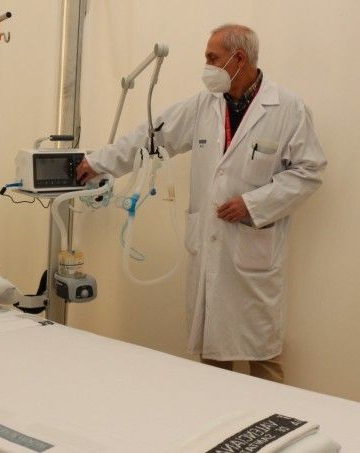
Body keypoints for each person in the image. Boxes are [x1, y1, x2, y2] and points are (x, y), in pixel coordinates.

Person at [77, 24, 326, 383]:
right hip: (209, 246)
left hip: (253, 249)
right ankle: (217, 417)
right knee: (213, 360)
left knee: (263, 356)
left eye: (212, 57)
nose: (207, 65)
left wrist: (253, 204)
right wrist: (98, 162)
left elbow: (309, 171)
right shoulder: (203, 105)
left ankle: (275, 417)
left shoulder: (288, 109)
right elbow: (150, 136)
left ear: (239, 58)